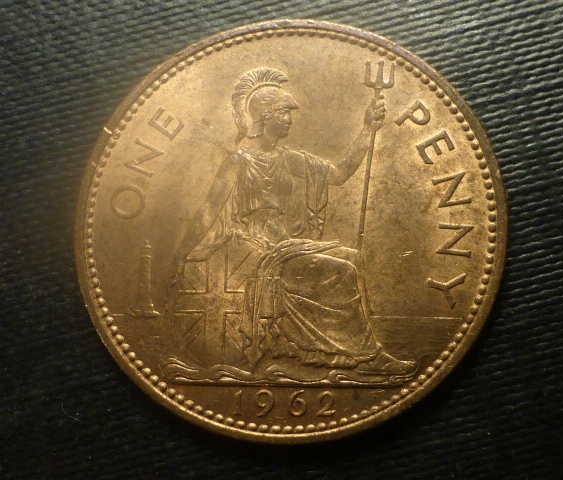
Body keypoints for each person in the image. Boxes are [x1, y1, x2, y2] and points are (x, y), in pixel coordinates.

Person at [168, 68, 415, 383]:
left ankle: (336, 352)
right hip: (252, 246)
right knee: (342, 271)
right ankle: (367, 357)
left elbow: (338, 174)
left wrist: (368, 129)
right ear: (265, 117)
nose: (290, 119)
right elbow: (208, 209)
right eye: (283, 113)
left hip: (282, 242)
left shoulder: (287, 158)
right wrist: (182, 253)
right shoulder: (237, 161)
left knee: (353, 258)